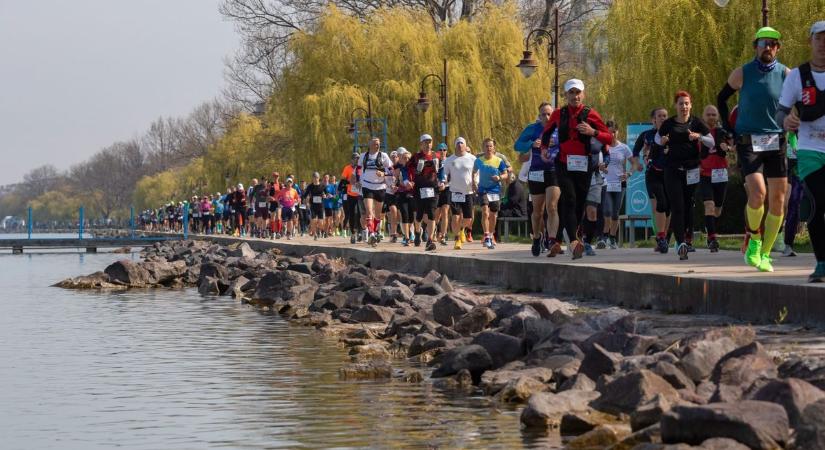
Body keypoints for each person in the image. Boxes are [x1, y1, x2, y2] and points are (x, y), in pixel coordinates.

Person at [718, 26, 790, 272]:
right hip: (749, 140)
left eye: (772, 43)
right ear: (755, 47)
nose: (767, 47)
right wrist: (728, 128)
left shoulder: (786, 74)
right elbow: (721, 98)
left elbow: (798, 104)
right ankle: (754, 240)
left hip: (776, 140)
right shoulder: (743, 73)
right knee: (758, 193)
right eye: (762, 43)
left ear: (777, 48)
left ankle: (767, 254)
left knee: (778, 200)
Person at [541, 78, 612, 259]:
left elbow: (608, 138)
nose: (575, 96)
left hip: (584, 165)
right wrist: (543, 150)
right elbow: (546, 133)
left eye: (578, 92)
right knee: (570, 199)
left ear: (583, 94)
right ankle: (573, 241)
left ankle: (557, 240)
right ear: (566, 95)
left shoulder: (591, 114)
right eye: (571, 93)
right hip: (563, 163)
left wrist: (592, 132)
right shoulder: (559, 113)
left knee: (578, 204)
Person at [777, 21, 825, 282]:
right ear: (811, 41)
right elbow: (781, 111)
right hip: (810, 149)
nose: (823, 44)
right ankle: (822, 263)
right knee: (818, 202)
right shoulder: (797, 75)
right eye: (819, 38)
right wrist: (785, 121)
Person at [657, 91, 715, 260]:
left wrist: (700, 136)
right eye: (680, 103)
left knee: (689, 206)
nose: (684, 107)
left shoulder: (696, 122)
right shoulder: (668, 124)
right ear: (676, 106)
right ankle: (681, 242)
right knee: (678, 206)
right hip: (672, 170)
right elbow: (657, 139)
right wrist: (662, 141)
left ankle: (684, 239)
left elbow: (711, 142)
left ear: (691, 105)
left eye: (686, 103)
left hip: (692, 170)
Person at [515, 102, 562, 257]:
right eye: (543, 114)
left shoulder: (558, 128)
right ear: (539, 115)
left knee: (552, 207)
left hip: (553, 170)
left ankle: (552, 240)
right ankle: (537, 237)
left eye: (549, 113)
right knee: (537, 212)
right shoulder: (532, 129)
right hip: (536, 172)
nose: (547, 117)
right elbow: (517, 145)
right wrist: (531, 143)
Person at [633, 107, 671, 253]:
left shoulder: (672, 134)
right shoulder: (646, 135)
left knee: (668, 208)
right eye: (659, 116)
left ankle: (664, 238)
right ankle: (660, 237)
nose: (662, 118)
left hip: (669, 174)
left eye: (665, 116)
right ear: (653, 119)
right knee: (658, 205)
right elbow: (635, 151)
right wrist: (637, 164)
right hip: (652, 174)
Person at [698, 105, 733, 252]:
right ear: (703, 116)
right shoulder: (697, 134)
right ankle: (712, 238)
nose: (711, 117)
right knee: (709, 205)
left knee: (717, 209)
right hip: (704, 174)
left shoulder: (723, 132)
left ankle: (710, 228)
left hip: (720, 174)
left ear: (717, 116)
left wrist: (728, 148)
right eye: (708, 114)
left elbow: (734, 147)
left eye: (714, 114)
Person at [598, 120, 634, 249]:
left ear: (618, 132)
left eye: (614, 132)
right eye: (609, 132)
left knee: (615, 213)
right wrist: (600, 167)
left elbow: (634, 163)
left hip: (620, 184)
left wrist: (628, 174)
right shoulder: (602, 147)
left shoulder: (624, 147)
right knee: (606, 211)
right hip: (605, 183)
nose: (612, 134)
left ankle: (612, 238)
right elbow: (595, 163)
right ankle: (604, 237)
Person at [473, 138, 509, 249]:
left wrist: (499, 177)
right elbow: (474, 172)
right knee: (485, 212)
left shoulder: (499, 161)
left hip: (495, 190)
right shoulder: (478, 161)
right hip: (483, 189)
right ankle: (486, 236)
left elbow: (506, 174)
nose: (488, 148)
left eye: (490, 146)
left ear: (494, 148)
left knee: (493, 215)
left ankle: (492, 234)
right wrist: (474, 183)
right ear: (483, 148)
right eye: (486, 146)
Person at [407, 134, 441, 251]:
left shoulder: (436, 156)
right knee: (419, 214)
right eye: (425, 142)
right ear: (421, 144)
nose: (428, 145)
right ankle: (417, 232)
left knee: (432, 214)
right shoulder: (416, 157)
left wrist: (443, 181)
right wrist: (409, 180)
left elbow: (442, 171)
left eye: (430, 142)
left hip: (433, 188)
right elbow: (407, 169)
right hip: (419, 188)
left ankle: (430, 240)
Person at [357, 137, 393, 245]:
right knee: (368, 211)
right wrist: (359, 179)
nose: (377, 145)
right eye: (375, 143)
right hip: (367, 186)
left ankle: (376, 231)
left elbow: (391, 170)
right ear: (369, 144)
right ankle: (371, 233)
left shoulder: (384, 156)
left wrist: (384, 174)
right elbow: (358, 168)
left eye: (378, 144)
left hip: (380, 187)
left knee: (378, 215)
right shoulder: (363, 156)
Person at [443, 137, 477, 250]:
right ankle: (457, 239)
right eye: (458, 143)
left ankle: (462, 229)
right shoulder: (449, 160)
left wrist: (476, 182)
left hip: (468, 192)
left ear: (465, 145)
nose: (460, 145)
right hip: (455, 191)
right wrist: (443, 181)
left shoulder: (472, 158)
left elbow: (477, 173)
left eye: (462, 143)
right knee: (455, 217)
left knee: (469, 219)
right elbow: (445, 174)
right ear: (455, 145)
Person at [782, 132, 803, 256]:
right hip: (795, 175)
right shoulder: (789, 135)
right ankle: (787, 244)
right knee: (793, 207)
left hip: (813, 171)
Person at [394, 148, 415, 246]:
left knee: (411, 217)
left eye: (408, 158)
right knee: (404, 215)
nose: (406, 160)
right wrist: (402, 183)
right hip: (402, 194)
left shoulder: (414, 169)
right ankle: (406, 237)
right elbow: (396, 181)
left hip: (412, 194)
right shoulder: (399, 168)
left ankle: (409, 232)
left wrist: (413, 183)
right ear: (401, 159)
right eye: (404, 158)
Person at [341, 153, 363, 244]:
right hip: (351, 194)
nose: (356, 160)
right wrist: (350, 181)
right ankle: (353, 234)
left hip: (360, 194)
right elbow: (342, 180)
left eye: (358, 158)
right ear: (352, 160)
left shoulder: (361, 168)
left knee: (361, 214)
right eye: (355, 158)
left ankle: (360, 232)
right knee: (352, 214)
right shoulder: (347, 168)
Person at [434, 143, 451, 246]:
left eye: (444, 150)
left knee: (445, 211)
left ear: (447, 151)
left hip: (447, 188)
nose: (442, 151)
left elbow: (453, 176)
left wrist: (446, 184)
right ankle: (434, 232)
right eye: (440, 149)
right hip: (436, 189)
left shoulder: (450, 161)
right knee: (437, 214)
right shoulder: (434, 161)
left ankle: (443, 234)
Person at [303, 172, 326, 240]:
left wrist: (325, 195)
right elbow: (305, 195)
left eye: (317, 177)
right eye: (314, 177)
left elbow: (327, 193)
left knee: (321, 223)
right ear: (312, 178)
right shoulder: (310, 186)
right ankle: (315, 234)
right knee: (313, 220)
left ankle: (319, 230)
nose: (315, 179)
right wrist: (303, 200)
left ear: (319, 178)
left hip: (320, 206)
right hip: (313, 206)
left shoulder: (322, 185)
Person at [384, 152, 400, 242]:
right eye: (392, 157)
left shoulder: (400, 167)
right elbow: (383, 179)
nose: (394, 158)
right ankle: (393, 233)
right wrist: (390, 186)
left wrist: (397, 186)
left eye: (396, 157)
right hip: (389, 192)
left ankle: (410, 232)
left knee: (399, 214)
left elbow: (401, 179)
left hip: (399, 192)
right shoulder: (386, 168)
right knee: (393, 211)